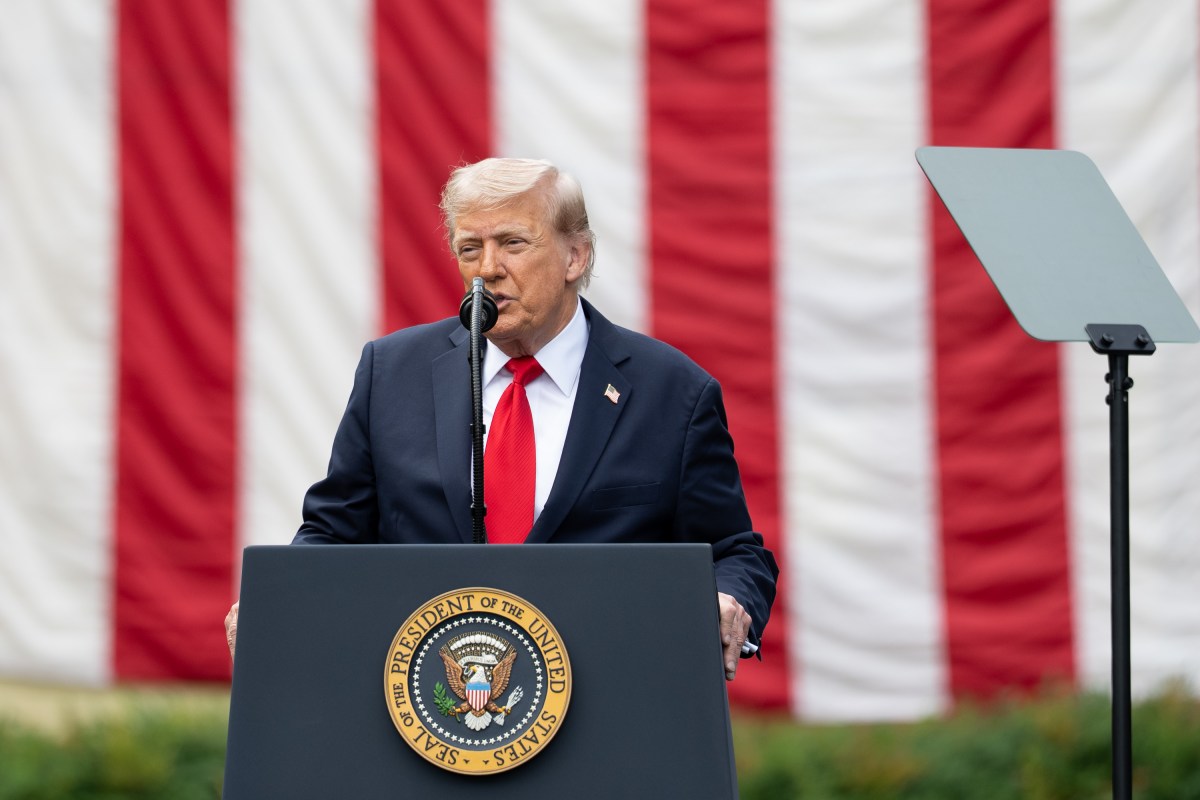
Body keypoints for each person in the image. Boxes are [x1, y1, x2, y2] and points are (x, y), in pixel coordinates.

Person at [226, 158, 777, 680]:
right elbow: (333, 533)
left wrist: (728, 599)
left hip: (609, 702)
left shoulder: (672, 391)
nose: (487, 270)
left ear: (575, 256)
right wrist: (281, 598)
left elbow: (734, 552)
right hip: (430, 707)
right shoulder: (392, 374)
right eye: (470, 249)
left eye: (512, 243)